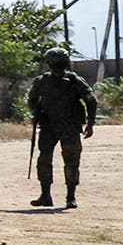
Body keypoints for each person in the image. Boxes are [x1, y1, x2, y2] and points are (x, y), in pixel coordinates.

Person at [26, 48, 97, 209]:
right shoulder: (42, 81)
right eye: (52, 64)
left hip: (70, 127)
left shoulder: (75, 81)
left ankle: (70, 197)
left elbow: (91, 101)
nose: (56, 67)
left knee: (72, 162)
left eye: (59, 63)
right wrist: (37, 114)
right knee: (44, 160)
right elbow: (32, 100)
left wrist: (90, 124)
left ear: (65, 63)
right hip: (48, 127)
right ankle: (45, 196)